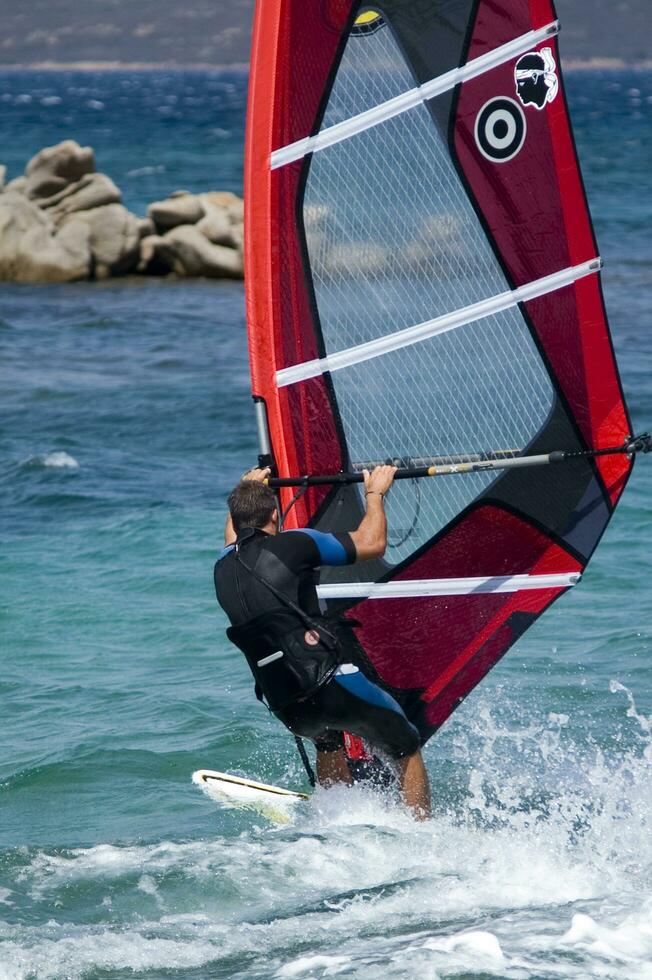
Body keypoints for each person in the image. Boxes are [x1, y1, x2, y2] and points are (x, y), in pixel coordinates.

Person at [214, 465, 431, 819]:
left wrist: (243, 489)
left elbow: (232, 538)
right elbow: (372, 543)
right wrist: (375, 493)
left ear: (236, 519)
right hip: (327, 683)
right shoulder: (295, 543)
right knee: (406, 744)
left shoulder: (222, 567)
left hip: (285, 702)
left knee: (327, 740)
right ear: (274, 514)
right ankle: (424, 836)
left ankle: (336, 825)